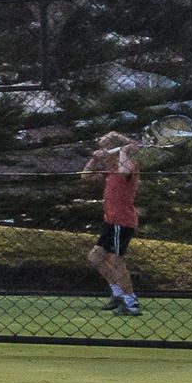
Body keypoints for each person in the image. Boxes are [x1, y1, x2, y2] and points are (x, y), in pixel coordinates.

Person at [80, 131, 141, 317]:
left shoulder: (128, 165)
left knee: (116, 262)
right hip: (110, 221)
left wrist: (122, 150)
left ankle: (131, 303)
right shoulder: (109, 171)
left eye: (105, 148)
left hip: (122, 222)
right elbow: (85, 176)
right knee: (95, 258)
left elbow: (124, 170)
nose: (102, 151)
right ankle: (118, 294)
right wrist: (94, 159)